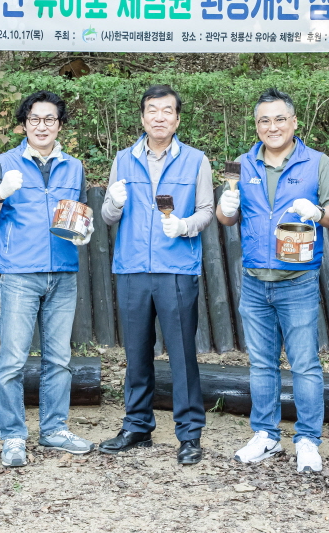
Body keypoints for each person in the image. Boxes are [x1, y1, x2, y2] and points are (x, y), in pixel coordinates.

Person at [215, 88, 329, 474]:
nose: (271, 127)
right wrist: (226, 209)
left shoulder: (316, 162)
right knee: (261, 364)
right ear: (257, 126)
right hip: (254, 280)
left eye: (279, 119)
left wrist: (318, 211)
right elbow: (227, 218)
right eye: (263, 120)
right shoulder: (241, 164)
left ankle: (307, 439)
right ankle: (266, 435)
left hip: (298, 281)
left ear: (293, 122)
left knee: (305, 364)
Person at [0, 91, 95, 468]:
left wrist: (83, 232)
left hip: (63, 273)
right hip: (19, 275)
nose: (42, 126)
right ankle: (12, 437)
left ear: (60, 125)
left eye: (50, 119)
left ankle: (54, 429)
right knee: (11, 362)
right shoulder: (4, 163)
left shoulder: (73, 167)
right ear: (24, 124)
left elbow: (75, 215)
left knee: (59, 360)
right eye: (34, 119)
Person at [99, 85, 214, 465]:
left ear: (177, 119)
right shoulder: (123, 159)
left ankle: (189, 434)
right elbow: (108, 217)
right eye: (152, 110)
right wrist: (113, 202)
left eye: (167, 111)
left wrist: (184, 226)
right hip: (132, 267)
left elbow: (207, 211)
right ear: (143, 117)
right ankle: (136, 426)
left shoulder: (196, 160)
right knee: (136, 352)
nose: (159, 117)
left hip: (176, 268)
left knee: (182, 354)